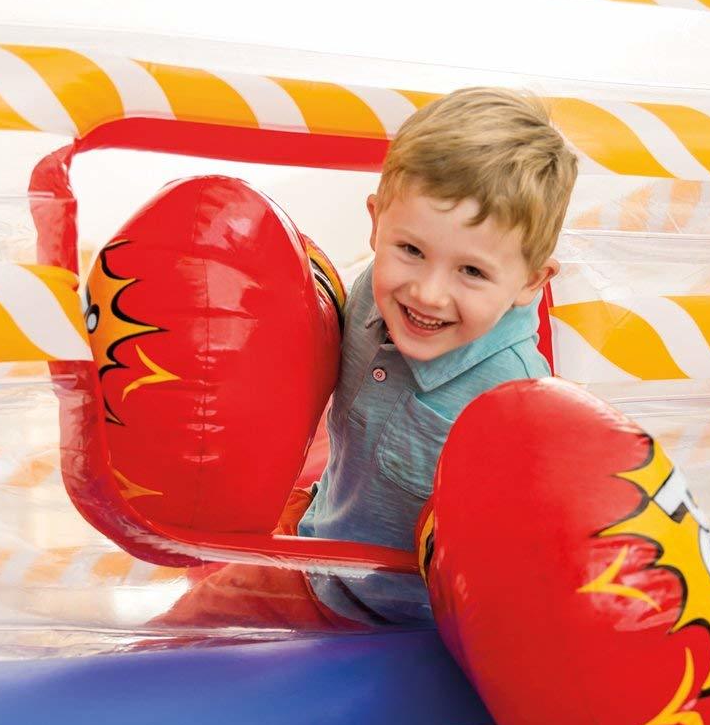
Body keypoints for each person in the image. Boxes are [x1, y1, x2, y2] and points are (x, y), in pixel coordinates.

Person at [157, 86, 578, 633]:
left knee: (184, 647)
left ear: (530, 282)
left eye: (471, 272)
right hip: (316, 539)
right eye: (411, 250)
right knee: (175, 625)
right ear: (376, 223)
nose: (427, 293)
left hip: (395, 620)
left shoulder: (517, 409)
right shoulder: (368, 296)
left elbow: (527, 571)